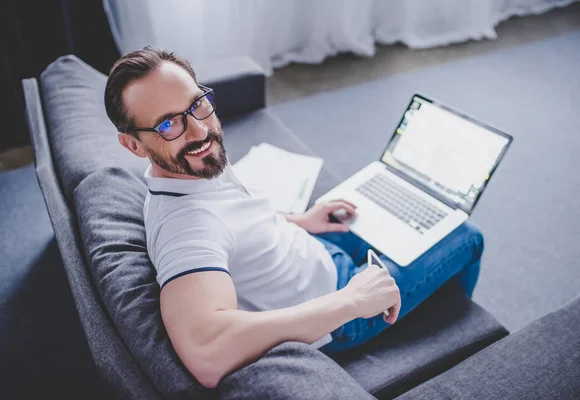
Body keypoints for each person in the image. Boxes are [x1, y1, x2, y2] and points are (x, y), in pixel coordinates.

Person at [105, 46, 483, 388]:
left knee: (395, 211)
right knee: (465, 234)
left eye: (197, 104)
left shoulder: (185, 166)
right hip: (335, 312)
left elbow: (238, 226)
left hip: (312, 249)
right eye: (169, 124)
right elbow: (206, 353)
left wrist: (301, 221)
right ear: (133, 144)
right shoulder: (185, 230)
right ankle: (444, 331)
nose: (201, 130)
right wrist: (350, 301)